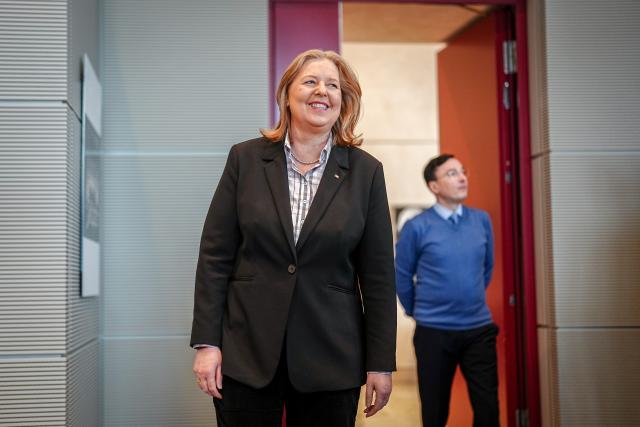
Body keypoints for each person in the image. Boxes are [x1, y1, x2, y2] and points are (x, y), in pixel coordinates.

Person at [190, 49, 397, 427]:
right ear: (287, 94)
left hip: (332, 355)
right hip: (246, 351)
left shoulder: (366, 172)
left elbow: (379, 275)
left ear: (344, 101)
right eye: (311, 81)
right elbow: (215, 256)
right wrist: (208, 343)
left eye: (333, 85)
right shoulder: (246, 159)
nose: (323, 91)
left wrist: (380, 362)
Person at [395, 154, 499, 427]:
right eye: (452, 174)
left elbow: (486, 269)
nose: (462, 177)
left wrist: (467, 297)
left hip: (479, 329)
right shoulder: (416, 227)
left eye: (463, 171)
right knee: (435, 411)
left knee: (488, 410)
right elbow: (401, 275)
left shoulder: (481, 220)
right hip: (433, 332)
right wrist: (417, 310)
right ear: (434, 186)